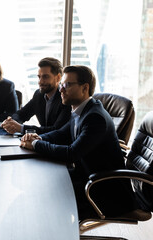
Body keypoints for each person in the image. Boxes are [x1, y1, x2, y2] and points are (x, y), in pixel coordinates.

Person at [20, 65, 137, 219]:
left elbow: (71, 153)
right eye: (62, 84)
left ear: (84, 88)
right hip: (86, 178)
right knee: (40, 184)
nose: (61, 89)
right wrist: (37, 138)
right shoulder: (81, 111)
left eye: (67, 85)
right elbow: (61, 134)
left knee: (44, 195)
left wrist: (35, 145)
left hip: (104, 191)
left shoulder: (95, 117)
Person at [1, 57, 71, 134]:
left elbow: (56, 130)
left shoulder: (66, 98)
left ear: (58, 78)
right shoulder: (39, 95)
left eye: (45, 77)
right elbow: (21, 114)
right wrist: (11, 121)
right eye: (39, 77)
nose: (40, 81)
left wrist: (21, 128)